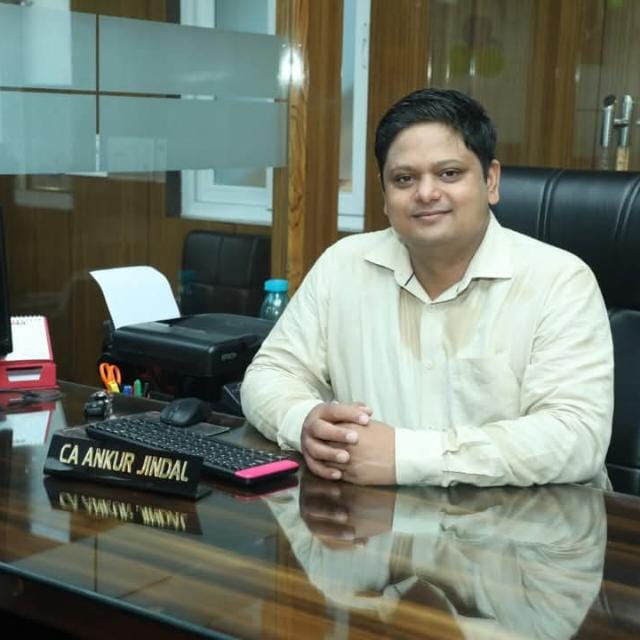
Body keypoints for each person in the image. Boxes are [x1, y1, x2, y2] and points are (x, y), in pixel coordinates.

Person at [241, 88, 613, 487]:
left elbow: (576, 437)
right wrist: (306, 422)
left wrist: (406, 456)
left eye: (449, 173)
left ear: (491, 180)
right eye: (404, 179)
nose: (426, 193)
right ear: (385, 195)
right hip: (373, 514)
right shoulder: (343, 265)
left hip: (526, 519)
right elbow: (270, 374)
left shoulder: (559, 280)